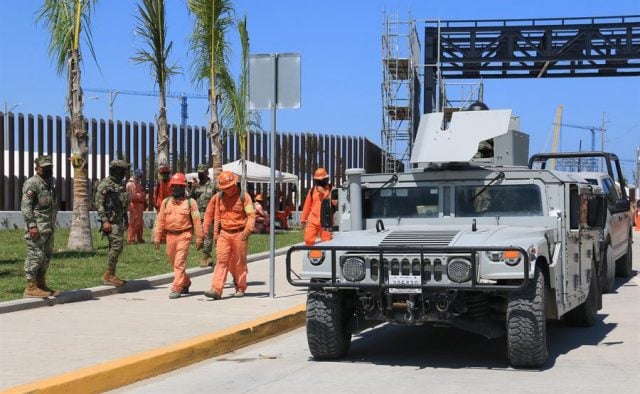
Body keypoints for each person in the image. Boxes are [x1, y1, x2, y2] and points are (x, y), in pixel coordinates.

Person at [200, 171, 255, 299]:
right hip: (224, 234)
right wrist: (205, 228)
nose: (227, 190)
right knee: (221, 261)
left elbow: (251, 215)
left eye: (229, 187)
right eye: (224, 188)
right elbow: (209, 213)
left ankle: (240, 287)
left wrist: (247, 230)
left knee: (239, 262)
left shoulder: (244, 197)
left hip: (240, 233)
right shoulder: (218, 197)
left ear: (234, 184)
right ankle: (216, 289)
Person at [154, 173, 204, 299]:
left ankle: (177, 287)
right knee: (173, 262)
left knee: (179, 262)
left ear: (184, 187)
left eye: (179, 186)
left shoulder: (190, 202)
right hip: (170, 236)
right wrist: (157, 236)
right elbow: (160, 220)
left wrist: (199, 237)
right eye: (174, 186)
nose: (175, 188)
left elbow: (197, 220)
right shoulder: (166, 202)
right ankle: (185, 281)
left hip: (185, 235)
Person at [21, 155, 58, 298]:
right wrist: (31, 225)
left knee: (45, 257)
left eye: (50, 167)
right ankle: (30, 287)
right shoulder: (32, 183)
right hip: (37, 228)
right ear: (37, 168)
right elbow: (26, 206)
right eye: (45, 168)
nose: (48, 170)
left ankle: (41, 285)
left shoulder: (49, 183)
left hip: (48, 228)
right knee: (35, 256)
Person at [95, 160, 130, 287]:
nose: (125, 173)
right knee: (117, 246)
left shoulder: (119, 184)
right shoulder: (105, 184)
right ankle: (108, 275)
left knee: (117, 247)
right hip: (110, 221)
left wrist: (126, 218)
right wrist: (104, 221)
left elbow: (122, 203)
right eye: (123, 170)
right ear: (116, 170)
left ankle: (111, 274)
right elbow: (98, 203)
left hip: (119, 219)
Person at [301, 167, 333, 246]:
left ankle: (326, 257)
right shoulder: (312, 190)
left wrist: (324, 193)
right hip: (313, 220)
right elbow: (307, 206)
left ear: (326, 179)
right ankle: (311, 256)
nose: (320, 182)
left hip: (326, 221)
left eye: (322, 180)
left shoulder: (331, 189)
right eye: (318, 180)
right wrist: (303, 219)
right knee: (308, 239)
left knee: (327, 242)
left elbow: (334, 203)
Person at [192, 164, 216, 267]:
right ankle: (209, 258)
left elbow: (219, 199)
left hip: (209, 214)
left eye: (202, 173)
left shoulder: (213, 185)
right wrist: (193, 189)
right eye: (199, 173)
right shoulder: (197, 185)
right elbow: (191, 199)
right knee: (200, 236)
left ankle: (205, 256)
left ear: (207, 173)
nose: (200, 175)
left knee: (207, 235)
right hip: (198, 214)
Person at [126, 168, 146, 244]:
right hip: (134, 205)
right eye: (139, 176)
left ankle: (139, 238)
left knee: (140, 223)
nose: (140, 178)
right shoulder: (130, 184)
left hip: (139, 205)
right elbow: (132, 196)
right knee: (133, 222)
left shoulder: (137, 183)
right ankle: (130, 239)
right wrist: (142, 195)